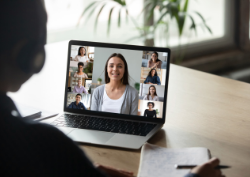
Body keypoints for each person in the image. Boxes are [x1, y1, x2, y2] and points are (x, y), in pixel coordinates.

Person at [0, 1, 224, 176]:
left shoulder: (133, 94)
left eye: (119, 66)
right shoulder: (43, 143)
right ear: (30, 56)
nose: (115, 69)